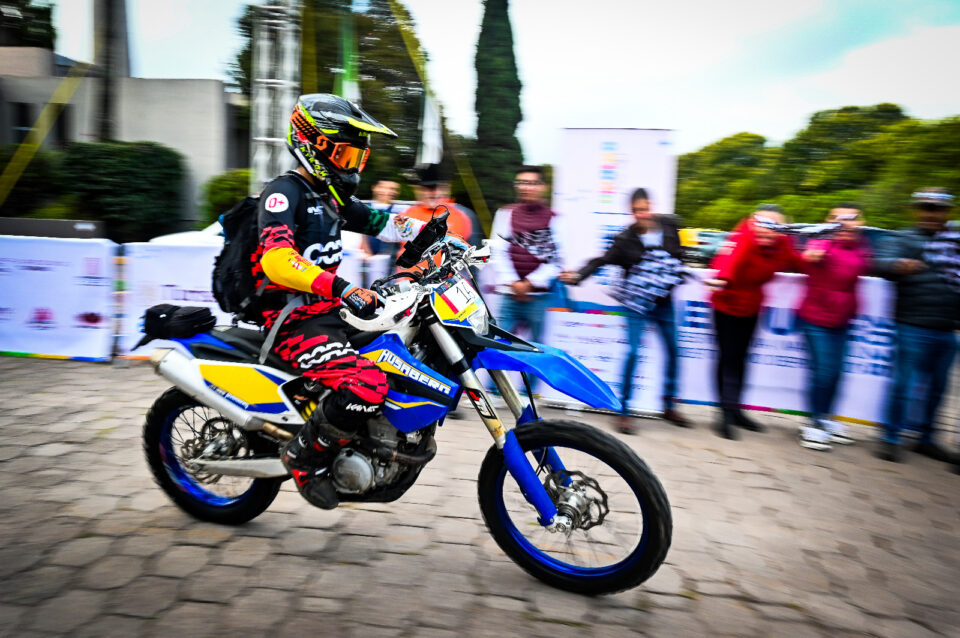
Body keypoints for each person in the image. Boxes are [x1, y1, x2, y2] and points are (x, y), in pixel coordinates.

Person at [252, 94, 432, 509]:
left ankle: (358, 437)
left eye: (357, 157)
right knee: (367, 384)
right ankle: (303, 457)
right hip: (293, 320)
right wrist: (343, 288)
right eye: (345, 155)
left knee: (395, 353)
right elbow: (276, 260)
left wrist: (437, 234)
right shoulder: (284, 193)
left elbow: (385, 223)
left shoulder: (330, 195)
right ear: (314, 145)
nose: (352, 166)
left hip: (329, 312)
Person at [560, 188, 690, 434]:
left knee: (674, 350)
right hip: (636, 305)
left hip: (664, 303)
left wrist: (674, 272)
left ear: (652, 207)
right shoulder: (624, 240)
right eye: (637, 210)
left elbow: (679, 255)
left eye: (645, 209)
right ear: (631, 212)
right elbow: (601, 261)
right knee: (632, 352)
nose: (642, 214)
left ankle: (669, 406)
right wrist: (578, 276)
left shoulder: (670, 226)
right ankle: (624, 411)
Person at [872, 188, 960, 464]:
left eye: (937, 209)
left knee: (937, 389)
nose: (931, 214)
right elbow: (878, 263)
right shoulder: (903, 237)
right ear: (917, 210)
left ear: (947, 212)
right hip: (911, 326)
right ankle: (890, 438)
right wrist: (897, 265)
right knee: (904, 385)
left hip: (947, 330)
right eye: (926, 208)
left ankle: (926, 439)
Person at [706, 204, 803, 440]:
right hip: (726, 303)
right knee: (728, 359)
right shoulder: (744, 237)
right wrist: (723, 279)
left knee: (741, 360)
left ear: (781, 229)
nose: (764, 229)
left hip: (751, 307)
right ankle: (724, 415)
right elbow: (732, 260)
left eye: (772, 225)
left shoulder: (783, 244)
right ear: (752, 223)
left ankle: (736, 410)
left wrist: (813, 260)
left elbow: (796, 261)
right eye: (760, 223)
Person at [795, 205, 871, 451]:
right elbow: (808, 256)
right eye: (838, 218)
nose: (845, 222)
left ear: (860, 222)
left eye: (852, 218)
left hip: (843, 320)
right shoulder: (822, 241)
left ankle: (826, 419)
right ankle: (813, 424)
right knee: (824, 373)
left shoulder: (862, 246)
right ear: (829, 222)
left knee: (836, 374)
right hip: (816, 319)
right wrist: (812, 255)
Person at [489, 166, 562, 348]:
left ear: (543, 187)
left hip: (538, 298)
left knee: (538, 351)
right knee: (499, 348)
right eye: (522, 182)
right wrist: (514, 282)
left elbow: (556, 260)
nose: (526, 187)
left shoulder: (555, 219)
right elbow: (498, 251)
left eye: (532, 183)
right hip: (509, 295)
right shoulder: (505, 214)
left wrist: (530, 283)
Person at [399, 163, 483, 251]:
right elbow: (393, 250)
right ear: (419, 190)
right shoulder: (405, 215)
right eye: (427, 188)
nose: (432, 193)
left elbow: (474, 253)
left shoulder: (464, 216)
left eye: (435, 187)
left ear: (445, 189)